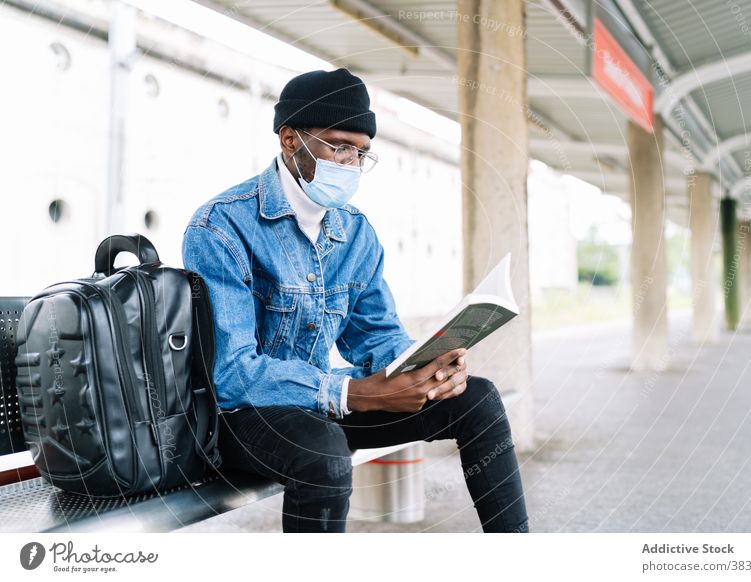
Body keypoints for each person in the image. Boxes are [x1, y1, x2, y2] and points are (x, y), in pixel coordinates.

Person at [182, 68, 529, 533]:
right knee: (323, 452)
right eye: (339, 146)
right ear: (290, 140)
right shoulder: (221, 227)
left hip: (323, 406)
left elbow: (377, 337)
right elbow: (233, 374)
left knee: (477, 398)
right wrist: (352, 392)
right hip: (242, 418)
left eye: (361, 153)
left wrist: (423, 367)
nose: (350, 163)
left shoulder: (355, 232)